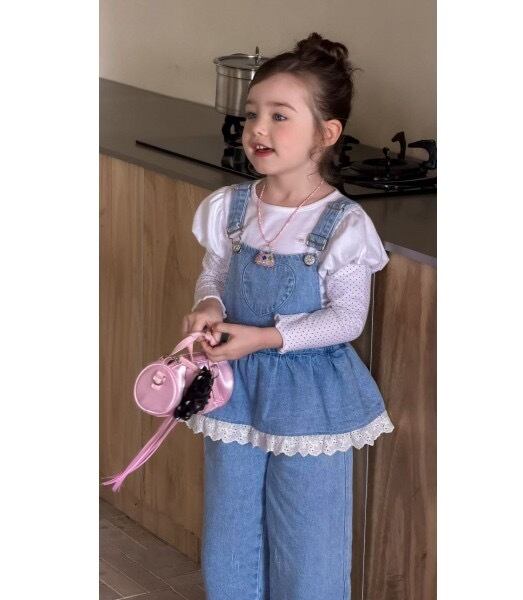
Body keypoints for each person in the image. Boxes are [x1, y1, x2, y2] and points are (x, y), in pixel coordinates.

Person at [181, 32, 394, 600]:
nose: (258, 129)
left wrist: (265, 337)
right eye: (253, 113)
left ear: (326, 134)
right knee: (228, 530)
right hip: (233, 388)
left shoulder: (344, 225)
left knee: (308, 537)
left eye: (280, 116)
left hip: (311, 398)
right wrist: (209, 305)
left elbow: (347, 318)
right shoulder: (230, 208)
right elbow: (214, 274)